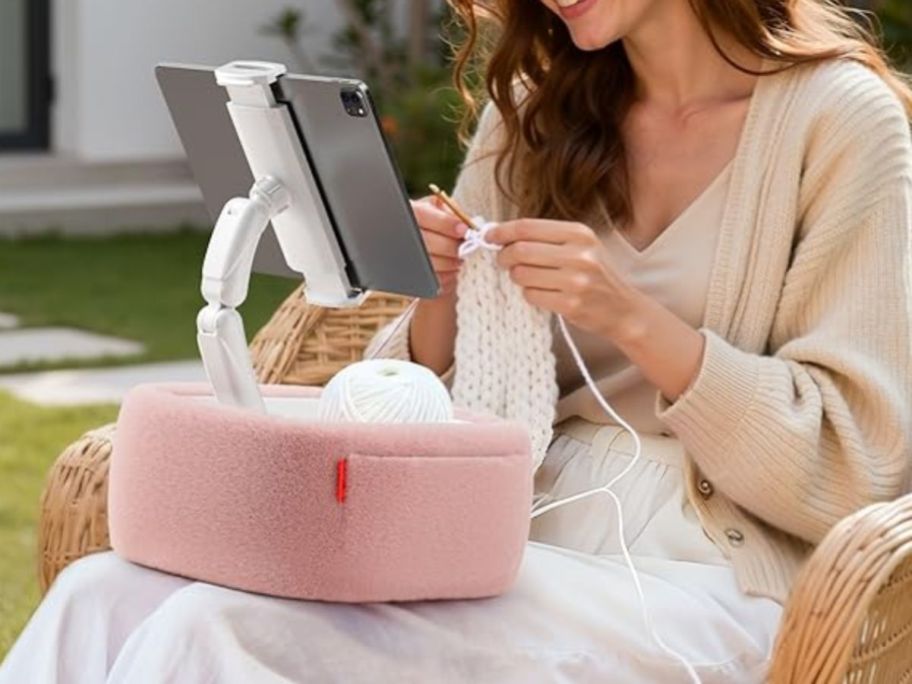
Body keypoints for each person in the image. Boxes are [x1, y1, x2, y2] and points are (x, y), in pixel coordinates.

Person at [2, 0, 911, 682]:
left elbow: (853, 462)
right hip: (494, 520)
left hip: (702, 570)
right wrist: (434, 294)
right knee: (103, 593)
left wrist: (635, 317)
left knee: (218, 630)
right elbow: (423, 397)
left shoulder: (840, 120)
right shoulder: (542, 102)